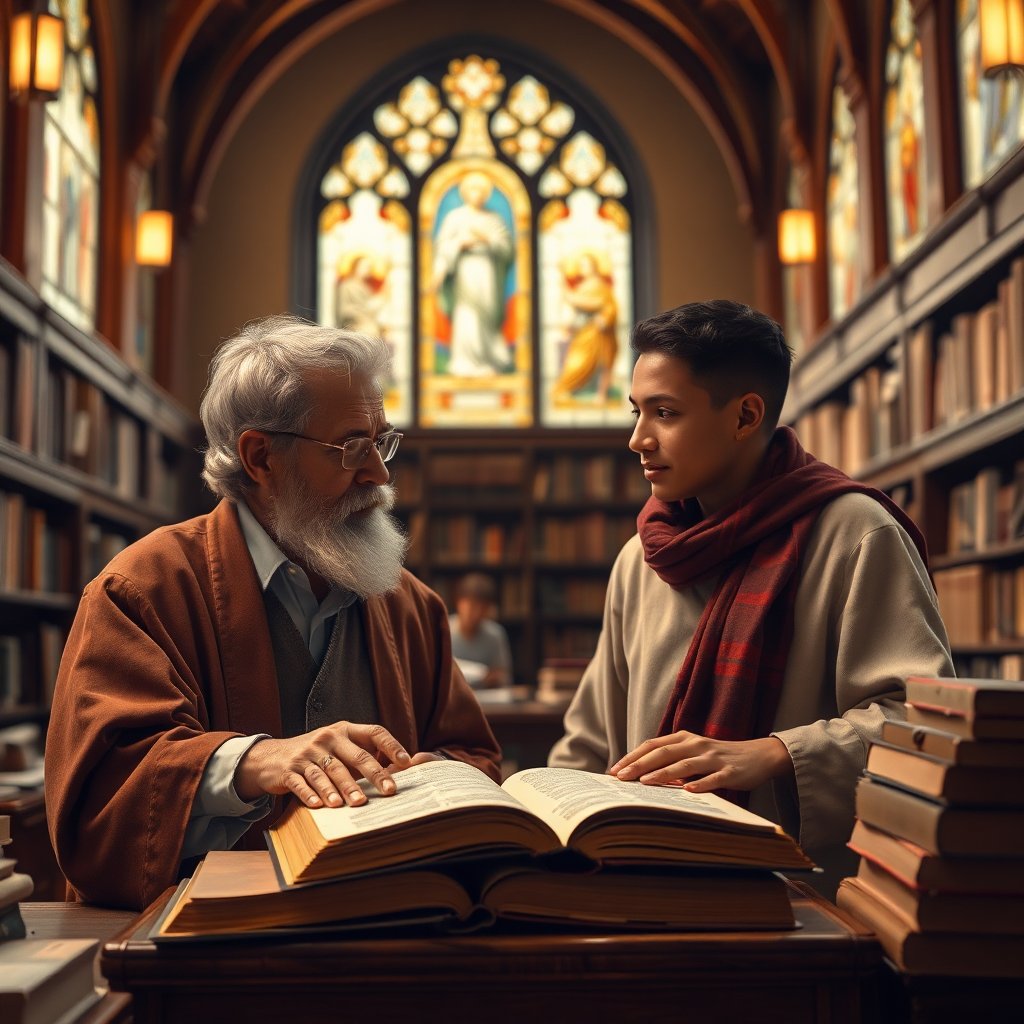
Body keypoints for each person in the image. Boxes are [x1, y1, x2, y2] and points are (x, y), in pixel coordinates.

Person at [45, 316, 500, 911]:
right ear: (260, 457)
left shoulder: (410, 605)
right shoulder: (142, 590)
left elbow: (476, 756)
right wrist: (252, 761)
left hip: (393, 935)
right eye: (352, 447)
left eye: (382, 442)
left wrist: (427, 777)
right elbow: (102, 798)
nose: (380, 474)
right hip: (216, 957)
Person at [548, 300, 952, 890]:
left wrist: (774, 754)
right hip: (637, 888)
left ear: (744, 416)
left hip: (801, 902)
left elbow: (919, 724)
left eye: (665, 412)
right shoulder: (640, 559)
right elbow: (587, 744)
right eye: (636, 411)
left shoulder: (856, 533)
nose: (638, 439)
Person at [432, 171, 514, 377]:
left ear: (486, 194)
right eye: (472, 189)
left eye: (480, 190)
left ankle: (486, 359)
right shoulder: (455, 217)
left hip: (488, 273)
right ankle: (463, 362)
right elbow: (442, 247)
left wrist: (487, 239)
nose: (476, 194)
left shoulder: (494, 219)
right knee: (467, 313)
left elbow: (508, 249)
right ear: (465, 193)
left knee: (485, 315)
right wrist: (459, 244)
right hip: (464, 271)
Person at [554, 252, 619, 403]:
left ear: (594, 266)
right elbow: (575, 306)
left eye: (584, 264)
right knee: (575, 364)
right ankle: (570, 391)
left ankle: (598, 394)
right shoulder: (583, 286)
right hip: (582, 334)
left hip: (596, 334)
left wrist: (604, 319)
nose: (580, 268)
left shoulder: (600, 286)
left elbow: (607, 307)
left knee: (581, 364)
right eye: (579, 265)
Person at [448, 573, 513, 688]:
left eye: (482, 608)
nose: (476, 613)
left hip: (487, 702)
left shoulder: (495, 634)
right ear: (459, 601)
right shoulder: (443, 630)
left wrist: (494, 678)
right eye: (472, 606)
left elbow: (504, 678)